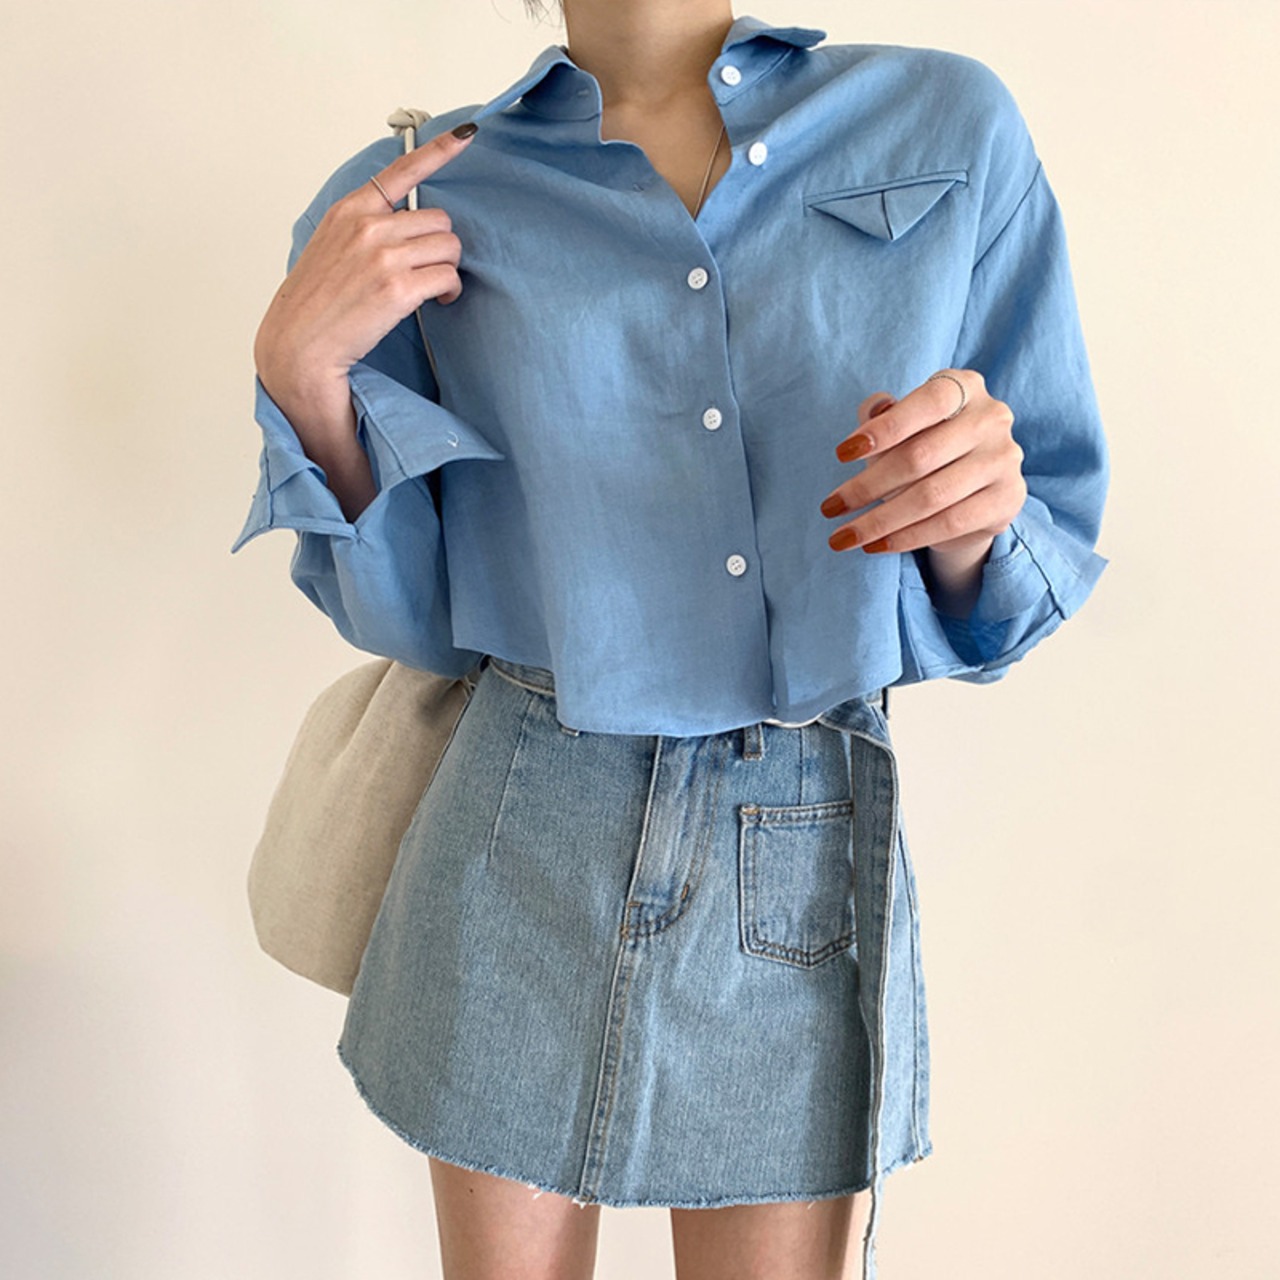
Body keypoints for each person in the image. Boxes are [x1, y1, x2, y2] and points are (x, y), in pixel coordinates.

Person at [232, 1, 1109, 1276]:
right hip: (519, 816)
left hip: (800, 828)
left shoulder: (941, 122)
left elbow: (1033, 560)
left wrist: (973, 519)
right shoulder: (407, 195)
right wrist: (303, 383)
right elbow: (411, 620)